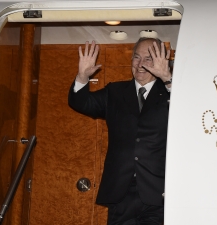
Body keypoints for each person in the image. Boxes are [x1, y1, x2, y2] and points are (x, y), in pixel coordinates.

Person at [68, 37, 172, 225]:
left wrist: (167, 78)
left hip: (158, 193)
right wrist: (82, 76)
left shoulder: (171, 91)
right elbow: (81, 102)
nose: (140, 64)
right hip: (121, 193)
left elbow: (190, 113)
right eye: (136, 57)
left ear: (161, 61)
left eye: (148, 59)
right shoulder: (115, 92)